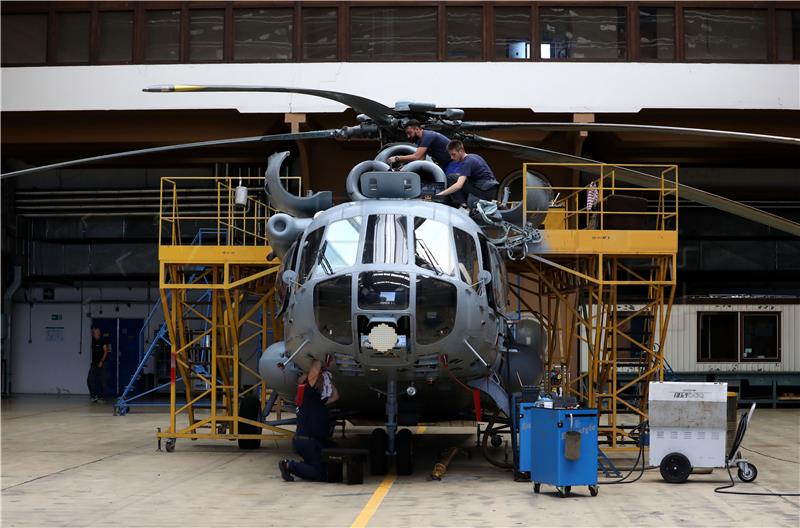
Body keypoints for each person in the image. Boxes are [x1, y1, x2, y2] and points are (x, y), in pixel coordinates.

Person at [279, 359, 340, 482]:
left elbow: (335, 396)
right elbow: (313, 372)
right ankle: (289, 465)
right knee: (320, 474)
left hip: (315, 441)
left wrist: (327, 379)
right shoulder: (305, 392)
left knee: (335, 451)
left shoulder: (314, 399)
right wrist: (319, 360)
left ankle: (305, 466)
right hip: (308, 441)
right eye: (303, 376)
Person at [436, 140, 500, 209]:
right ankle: (462, 203)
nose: (451, 157)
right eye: (450, 155)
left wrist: (440, 194)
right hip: (487, 188)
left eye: (453, 154)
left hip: (484, 191)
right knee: (451, 177)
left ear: (460, 151)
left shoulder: (467, 163)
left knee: (471, 203)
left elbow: (458, 185)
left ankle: (463, 206)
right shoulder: (473, 156)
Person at [387, 119, 452, 173]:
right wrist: (405, 166)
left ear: (417, 129)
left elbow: (417, 156)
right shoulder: (420, 140)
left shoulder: (427, 136)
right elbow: (421, 159)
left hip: (454, 162)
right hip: (446, 165)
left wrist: (397, 158)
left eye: (409, 133)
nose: (408, 136)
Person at [87, 326, 110, 403]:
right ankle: (94, 396)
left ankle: (102, 397)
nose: (94, 333)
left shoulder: (102, 340)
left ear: (99, 333)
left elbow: (106, 351)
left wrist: (101, 361)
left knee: (103, 381)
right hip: (94, 364)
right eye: (94, 332)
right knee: (90, 380)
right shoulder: (93, 341)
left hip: (102, 363)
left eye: (96, 332)